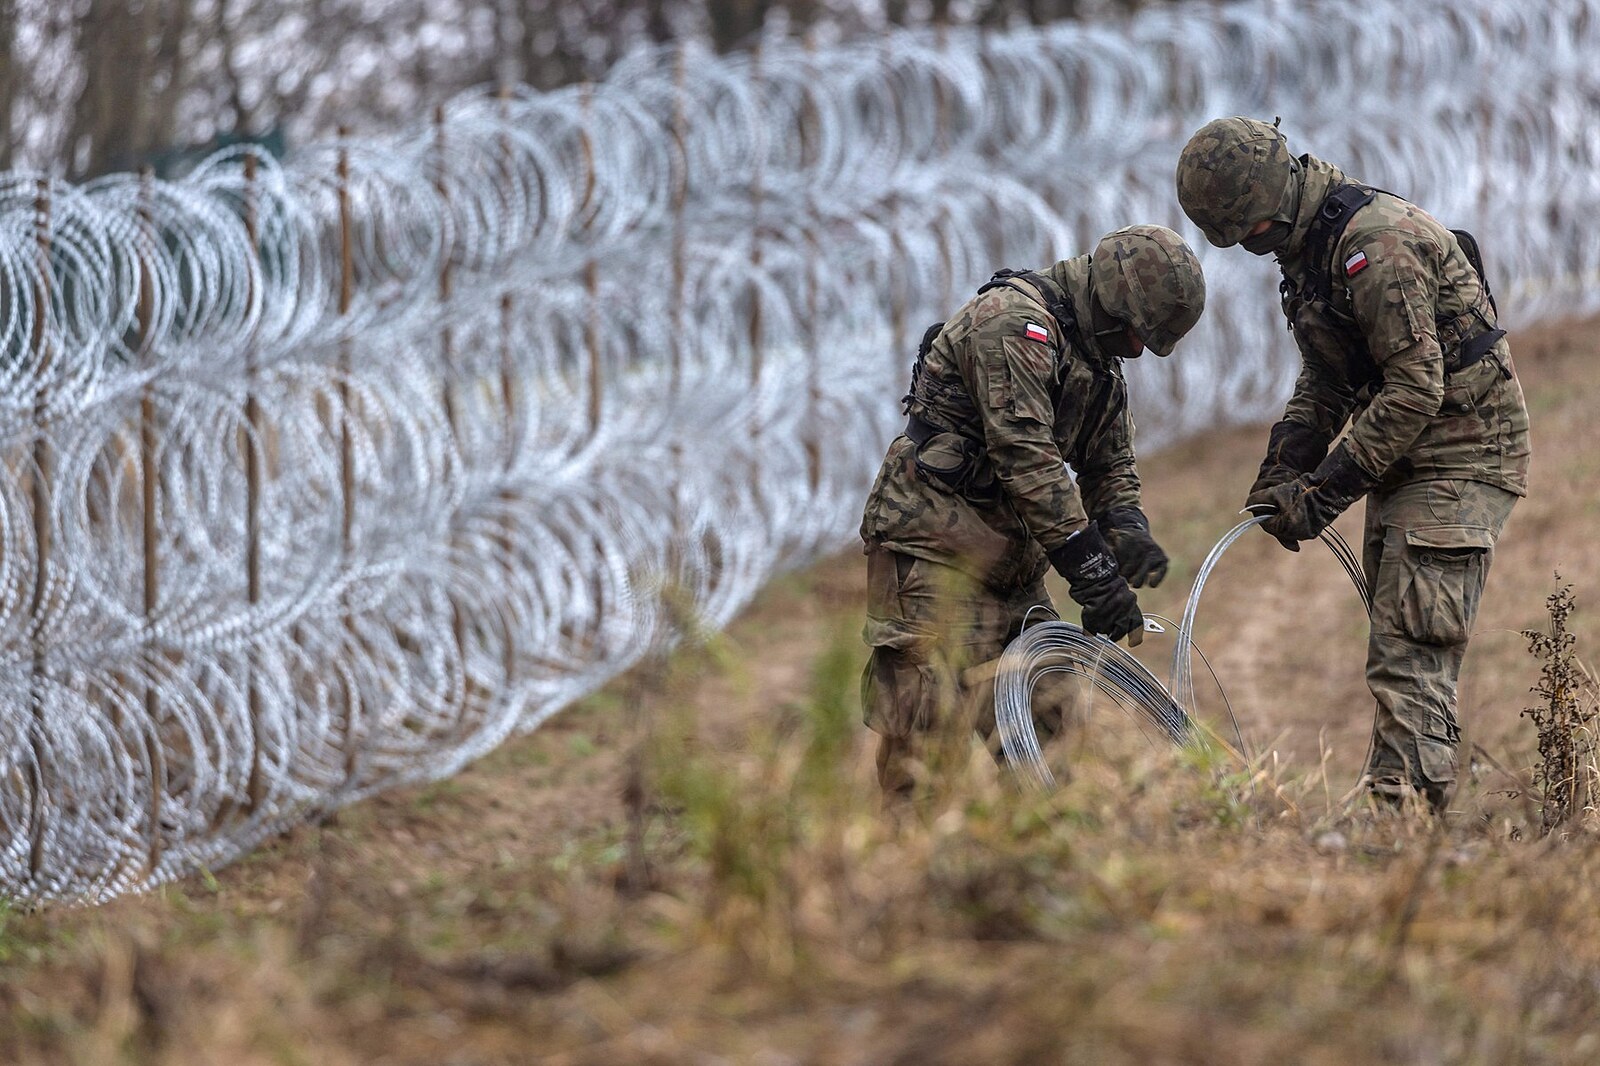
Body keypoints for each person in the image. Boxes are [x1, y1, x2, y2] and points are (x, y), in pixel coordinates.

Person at [1175, 117, 1531, 812]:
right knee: (1399, 638)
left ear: (1271, 205)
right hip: (1411, 454)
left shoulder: (1375, 245)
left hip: (1463, 451)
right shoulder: (1312, 251)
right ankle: (1402, 816)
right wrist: (1284, 467)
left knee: (1411, 649)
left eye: (1251, 233)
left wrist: (1326, 490)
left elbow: (1416, 386)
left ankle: (1400, 826)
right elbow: (1326, 382)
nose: (1252, 247)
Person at [858, 224, 1207, 797]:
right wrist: (1092, 573)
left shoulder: (1097, 360)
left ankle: (1033, 873)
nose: (1141, 349)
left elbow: (1109, 462)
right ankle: (908, 876)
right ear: (1115, 298)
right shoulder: (1011, 323)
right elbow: (1027, 457)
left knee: (1052, 733)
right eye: (1139, 332)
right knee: (926, 748)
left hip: (1010, 568)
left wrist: (1126, 528)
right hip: (931, 556)